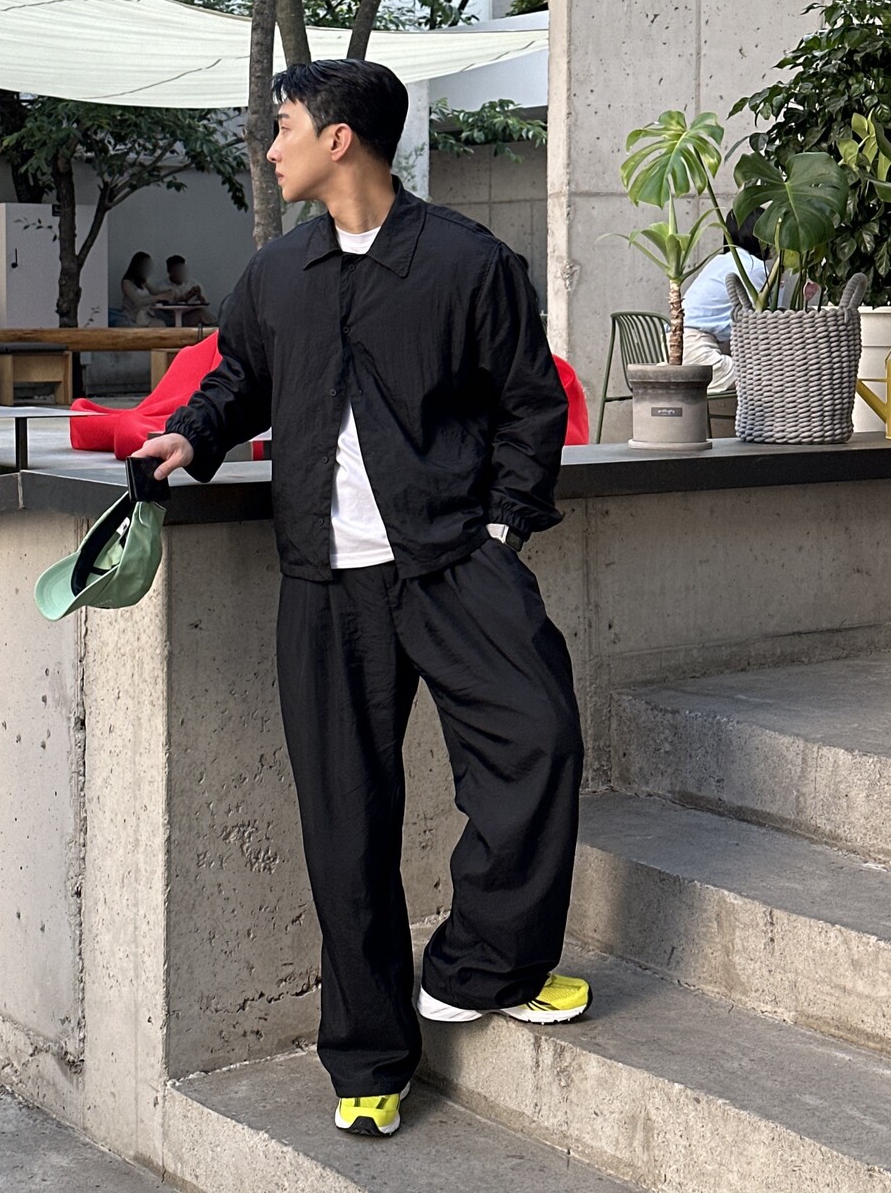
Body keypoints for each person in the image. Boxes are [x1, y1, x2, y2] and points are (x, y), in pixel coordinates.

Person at [135, 59, 589, 1139]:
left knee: (539, 739)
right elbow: (238, 376)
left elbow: (530, 404)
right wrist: (190, 436)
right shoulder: (277, 273)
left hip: (452, 562)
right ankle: (369, 1058)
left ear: (339, 139)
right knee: (346, 825)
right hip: (323, 584)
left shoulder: (469, 263)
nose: (269, 146)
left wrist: (501, 529)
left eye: (283, 125)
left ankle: (482, 963)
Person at [682, 209, 769, 392]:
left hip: (677, 348)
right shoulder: (755, 268)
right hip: (697, 355)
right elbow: (769, 325)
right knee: (773, 374)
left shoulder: (718, 262)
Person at [154, 255, 216, 326]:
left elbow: (205, 304)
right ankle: (217, 327)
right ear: (169, 271)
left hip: (191, 316)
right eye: (177, 269)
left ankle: (216, 326)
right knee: (201, 314)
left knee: (202, 313)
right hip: (172, 320)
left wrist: (199, 295)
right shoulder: (161, 287)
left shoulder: (193, 284)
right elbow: (164, 308)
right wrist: (185, 298)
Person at [120, 251, 162, 327]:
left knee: (161, 324)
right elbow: (137, 301)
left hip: (145, 317)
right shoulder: (126, 283)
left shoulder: (143, 282)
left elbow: (155, 291)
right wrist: (156, 298)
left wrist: (168, 292)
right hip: (132, 319)